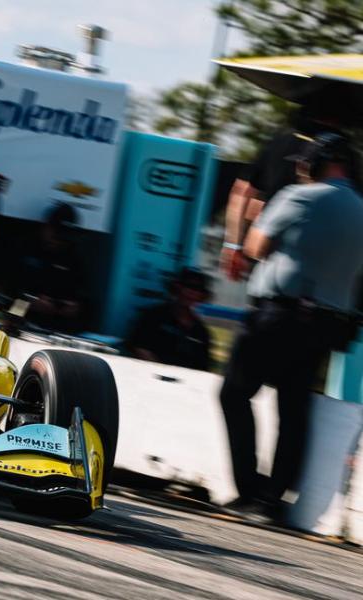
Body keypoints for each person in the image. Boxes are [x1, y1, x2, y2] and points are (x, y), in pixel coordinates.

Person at [219, 132, 363, 521]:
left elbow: (255, 247)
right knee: (293, 408)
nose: (301, 168)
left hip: (278, 314)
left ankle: (248, 490)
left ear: (320, 162)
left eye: (305, 162)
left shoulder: (299, 197)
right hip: (325, 323)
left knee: (234, 393)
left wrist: (258, 221)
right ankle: (270, 501)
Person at [219, 108, 341, 282]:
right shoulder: (340, 151)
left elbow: (242, 191)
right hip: (317, 262)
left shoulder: (280, 138)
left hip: (267, 255)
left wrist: (234, 245)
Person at [18, 202, 87, 333]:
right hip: (21, 323)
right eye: (56, 234)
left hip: (57, 330)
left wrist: (74, 308)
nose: (58, 241)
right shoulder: (25, 248)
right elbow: (6, 294)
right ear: (46, 227)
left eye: (63, 237)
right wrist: (30, 303)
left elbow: (83, 301)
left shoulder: (73, 259)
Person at [126, 267, 212, 371]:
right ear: (176, 288)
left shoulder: (201, 332)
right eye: (188, 286)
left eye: (198, 289)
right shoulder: (154, 315)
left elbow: (202, 368)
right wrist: (161, 371)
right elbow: (139, 348)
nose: (192, 292)